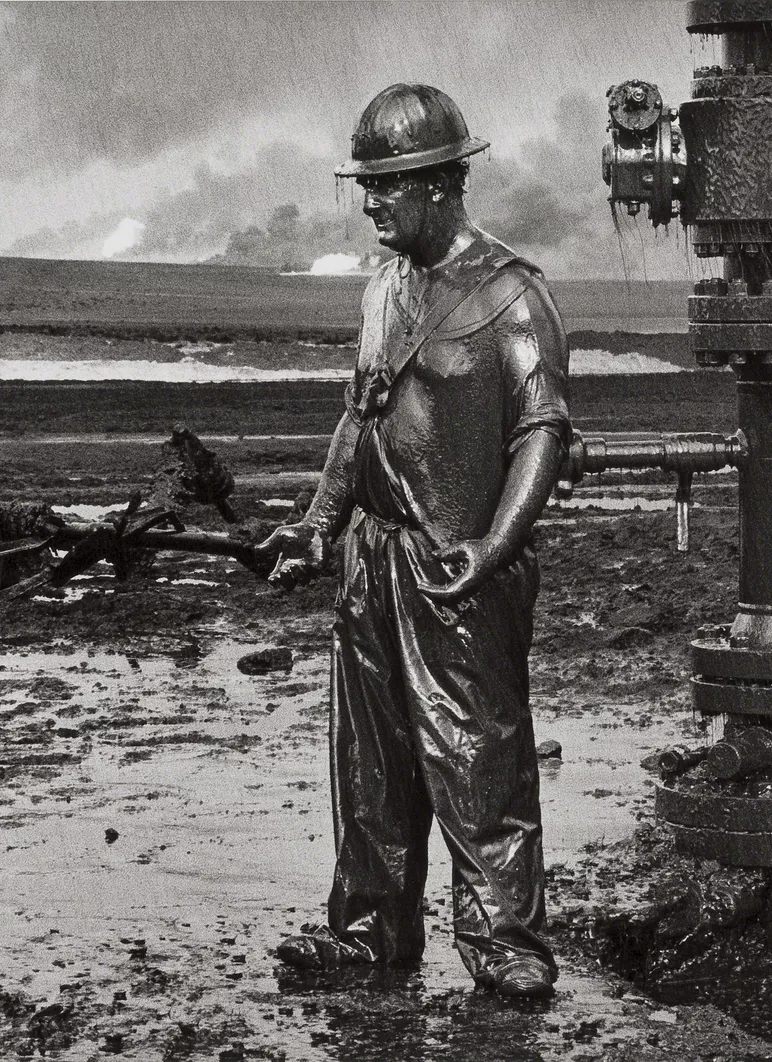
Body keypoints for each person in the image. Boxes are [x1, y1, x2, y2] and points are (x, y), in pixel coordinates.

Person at [256, 83, 569, 998]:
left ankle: (507, 946)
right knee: (371, 765)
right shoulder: (384, 290)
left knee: (478, 763)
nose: (370, 202)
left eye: (386, 184)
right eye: (366, 184)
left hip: (458, 574)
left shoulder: (512, 295)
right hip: (373, 564)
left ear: (440, 182)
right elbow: (361, 416)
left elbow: (542, 432)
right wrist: (319, 522)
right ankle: (367, 934)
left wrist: (495, 549)